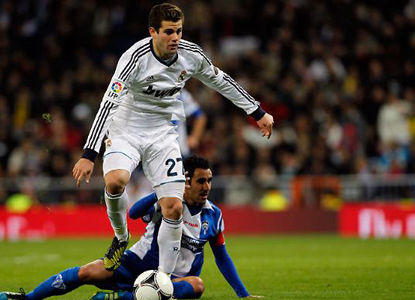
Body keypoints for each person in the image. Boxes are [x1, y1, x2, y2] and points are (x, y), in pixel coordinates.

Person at [72, 3, 274, 276]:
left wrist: (256, 111)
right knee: (115, 180)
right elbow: (108, 103)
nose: (175, 38)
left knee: (174, 207)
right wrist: (89, 154)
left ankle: (163, 279)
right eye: (169, 32)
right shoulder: (134, 58)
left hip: (162, 132)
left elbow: (220, 80)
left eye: (179, 31)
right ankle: (120, 237)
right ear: (153, 32)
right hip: (126, 129)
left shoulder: (191, 55)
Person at [0, 155, 261, 300]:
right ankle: (28, 297)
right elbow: (133, 214)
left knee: (198, 284)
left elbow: (222, 256)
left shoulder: (214, 215)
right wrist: (164, 191)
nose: (207, 187)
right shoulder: (166, 203)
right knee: (87, 271)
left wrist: (243, 294)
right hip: (134, 264)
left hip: (173, 279)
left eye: (210, 181)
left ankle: (121, 296)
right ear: (185, 181)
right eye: (201, 180)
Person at [173, 89, 207, 157]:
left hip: (179, 151)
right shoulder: (147, 91)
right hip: (153, 148)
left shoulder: (180, 93)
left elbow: (200, 117)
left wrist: (194, 137)